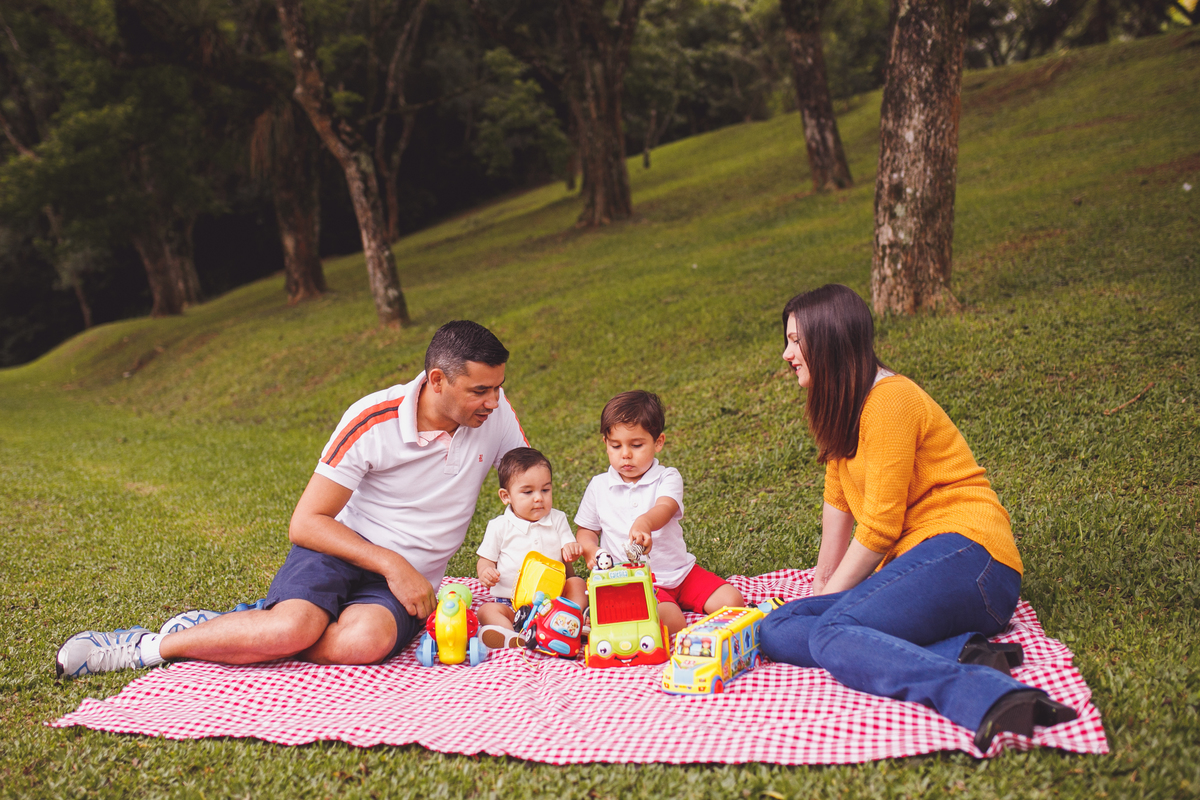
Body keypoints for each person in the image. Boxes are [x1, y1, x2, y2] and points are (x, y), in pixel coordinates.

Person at [56, 320, 529, 678]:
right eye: (480, 390)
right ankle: (151, 645)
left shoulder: (495, 415)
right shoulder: (373, 420)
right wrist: (391, 563)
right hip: (343, 548)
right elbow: (306, 523)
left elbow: (528, 489)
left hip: (404, 581)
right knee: (292, 630)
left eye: (498, 388)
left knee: (364, 643)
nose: (493, 401)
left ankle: (242, 628)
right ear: (438, 380)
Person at [758, 284, 1077, 751]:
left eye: (794, 340)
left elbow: (880, 530)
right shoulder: (842, 406)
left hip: (971, 557)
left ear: (828, 339)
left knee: (831, 632)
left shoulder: (891, 400)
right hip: (922, 572)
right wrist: (821, 585)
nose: (786, 354)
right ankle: (968, 652)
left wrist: (836, 606)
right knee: (777, 628)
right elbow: (838, 503)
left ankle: (986, 694)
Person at [574, 390, 744, 635]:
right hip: (636, 583)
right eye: (616, 445)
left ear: (658, 442)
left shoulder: (667, 476)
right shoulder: (599, 486)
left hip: (682, 573)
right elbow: (586, 530)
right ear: (605, 444)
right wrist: (591, 550)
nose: (625, 454)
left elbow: (665, 507)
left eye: (636, 445)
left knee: (733, 601)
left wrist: (644, 522)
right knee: (672, 623)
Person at [474, 447, 587, 648]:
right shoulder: (499, 526)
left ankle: (571, 620)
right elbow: (486, 559)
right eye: (528, 492)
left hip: (555, 602)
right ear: (505, 496)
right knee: (486, 610)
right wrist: (486, 571)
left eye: (545, 490)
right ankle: (511, 634)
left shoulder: (557, 519)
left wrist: (570, 549)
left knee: (578, 584)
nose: (538, 498)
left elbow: (568, 547)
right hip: (512, 602)